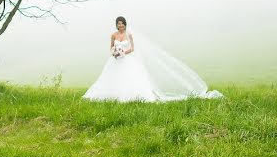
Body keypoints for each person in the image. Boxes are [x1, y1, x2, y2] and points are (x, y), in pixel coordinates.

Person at [82, 15, 223, 102]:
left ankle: (132, 96)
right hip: (115, 61)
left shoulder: (129, 35)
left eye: (122, 23)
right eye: (118, 23)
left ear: (125, 24)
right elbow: (111, 47)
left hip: (127, 59)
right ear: (116, 24)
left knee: (130, 78)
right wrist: (115, 53)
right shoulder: (113, 35)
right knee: (111, 78)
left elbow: (132, 48)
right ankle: (111, 95)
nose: (120, 25)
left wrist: (123, 52)